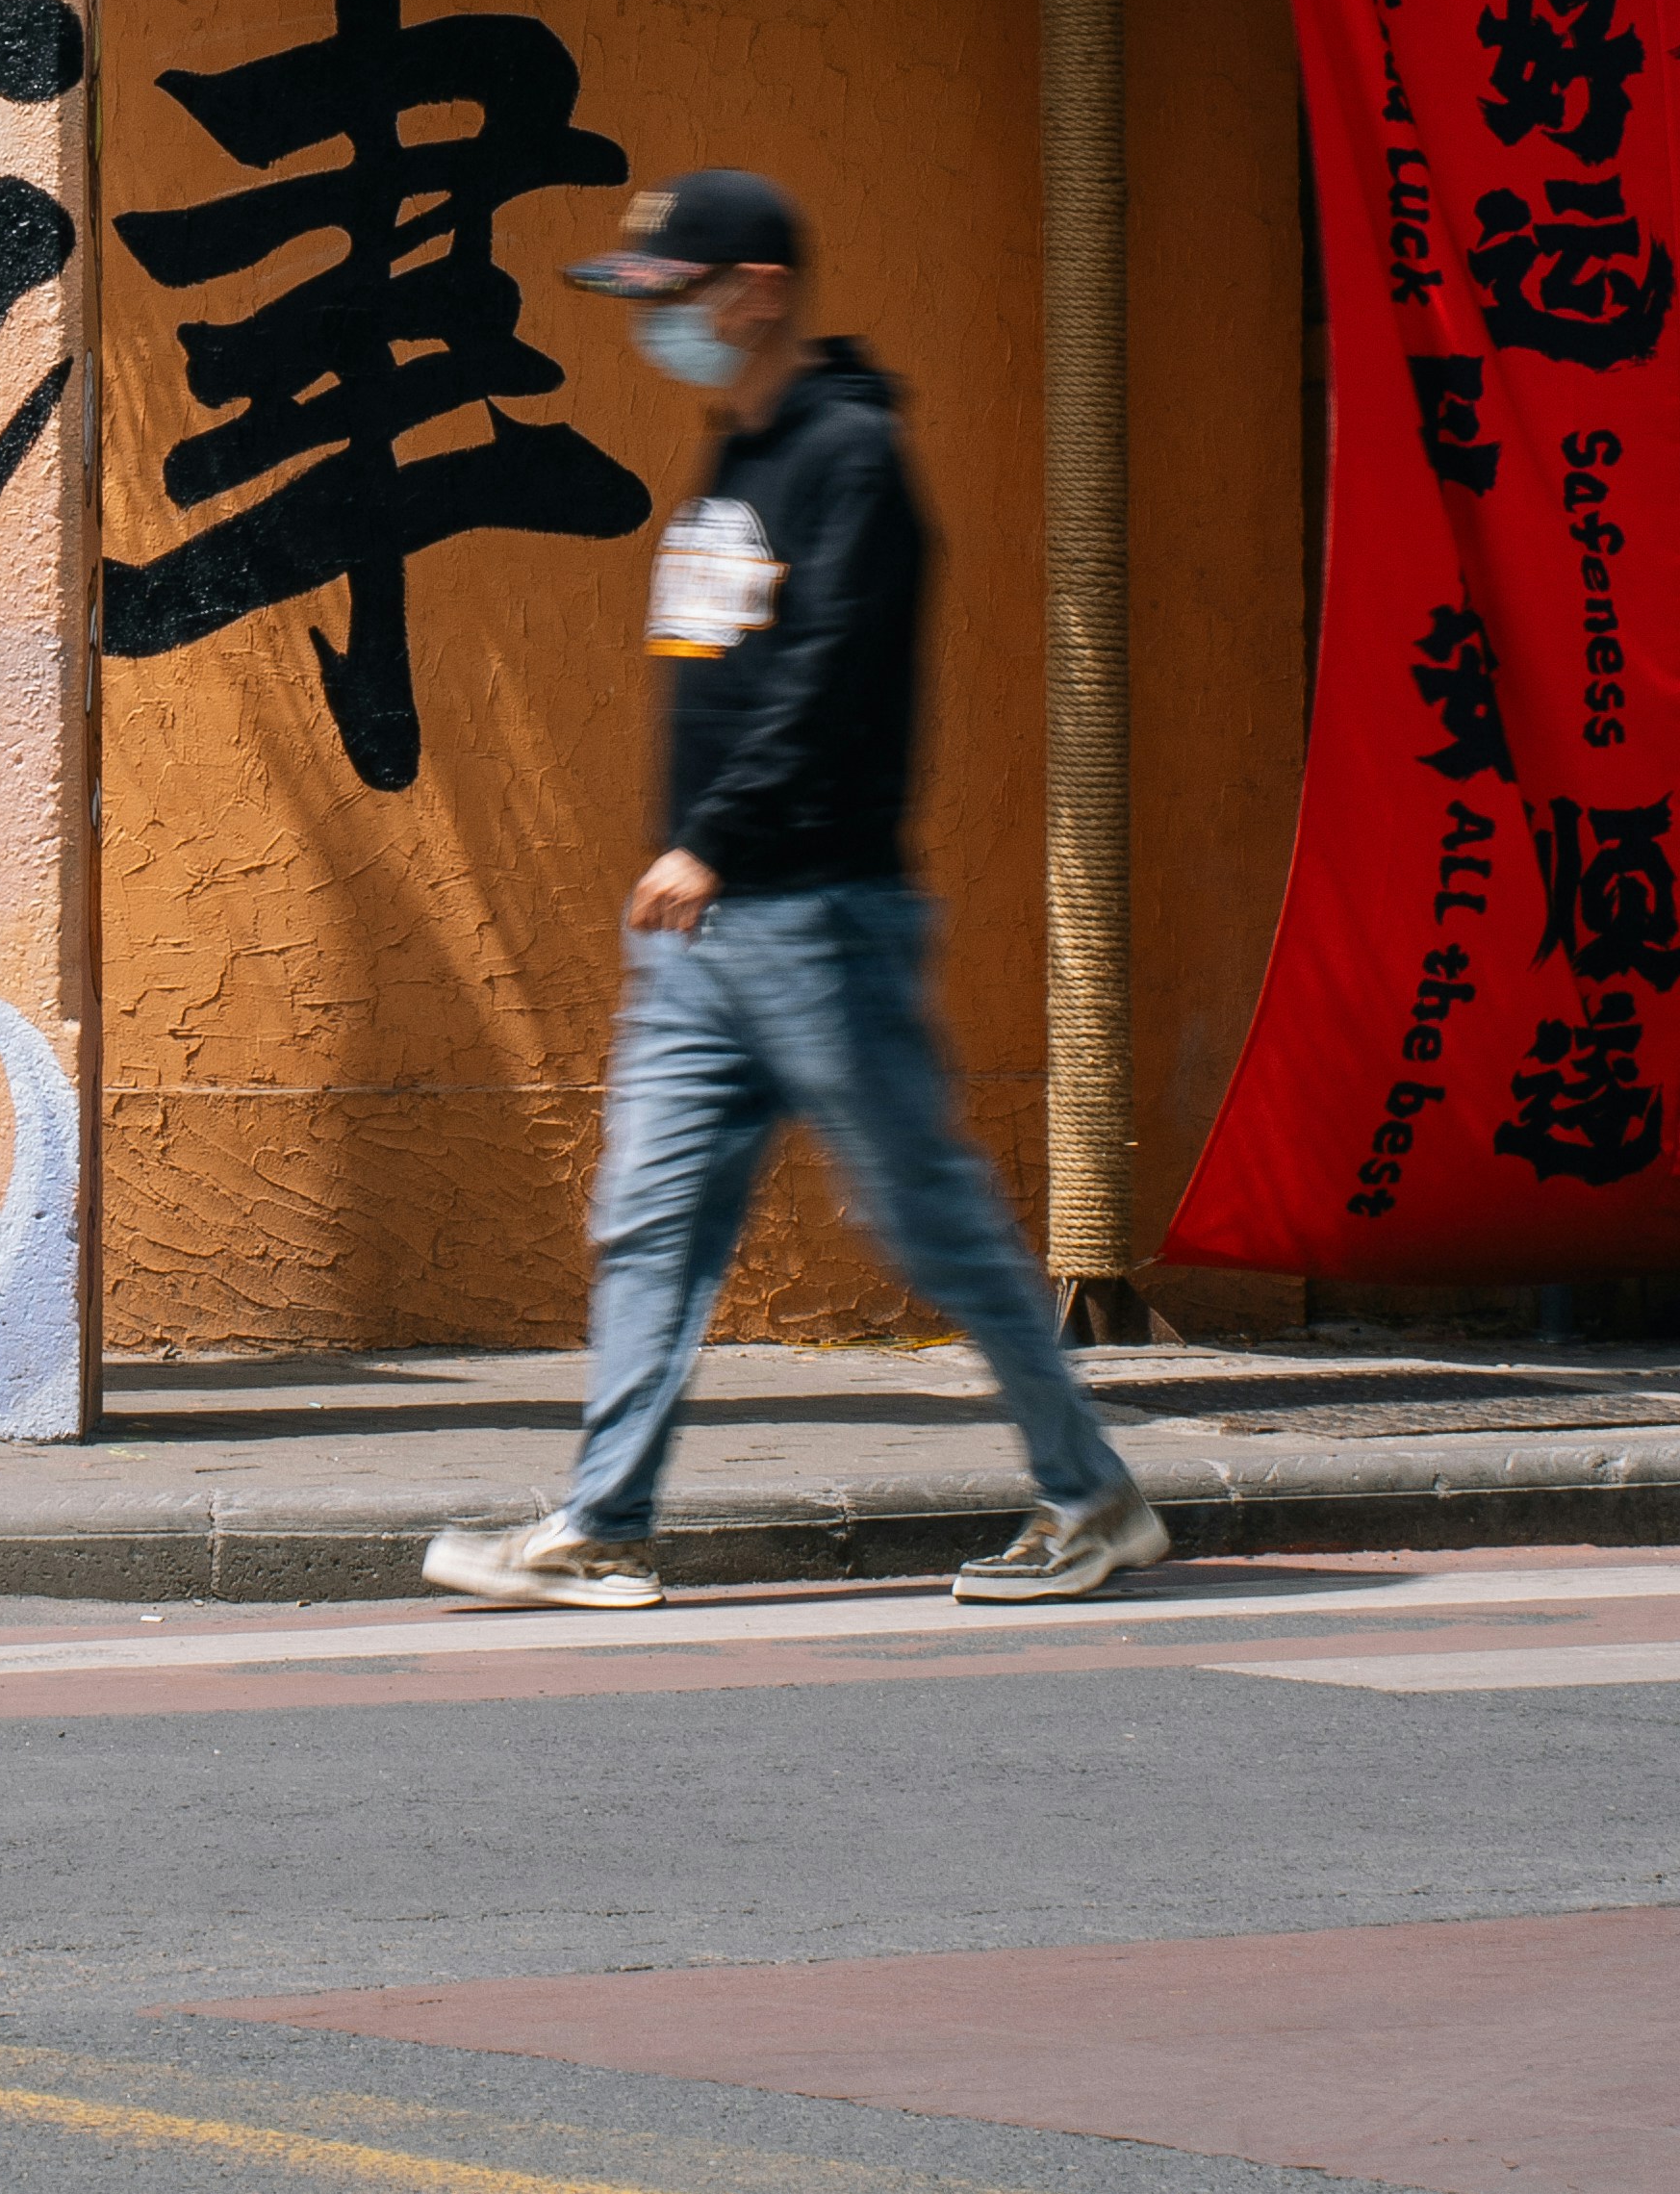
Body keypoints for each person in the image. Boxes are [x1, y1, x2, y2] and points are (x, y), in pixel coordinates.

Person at [425, 167, 1169, 1617]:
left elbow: (830, 676)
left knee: (930, 1218)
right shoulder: (738, 455)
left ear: (753, 291)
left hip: (819, 917)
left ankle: (1093, 1496)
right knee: (651, 1218)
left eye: (673, 298)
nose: (655, 329)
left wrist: (717, 835)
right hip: (710, 941)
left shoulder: (848, 459)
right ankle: (604, 1519)